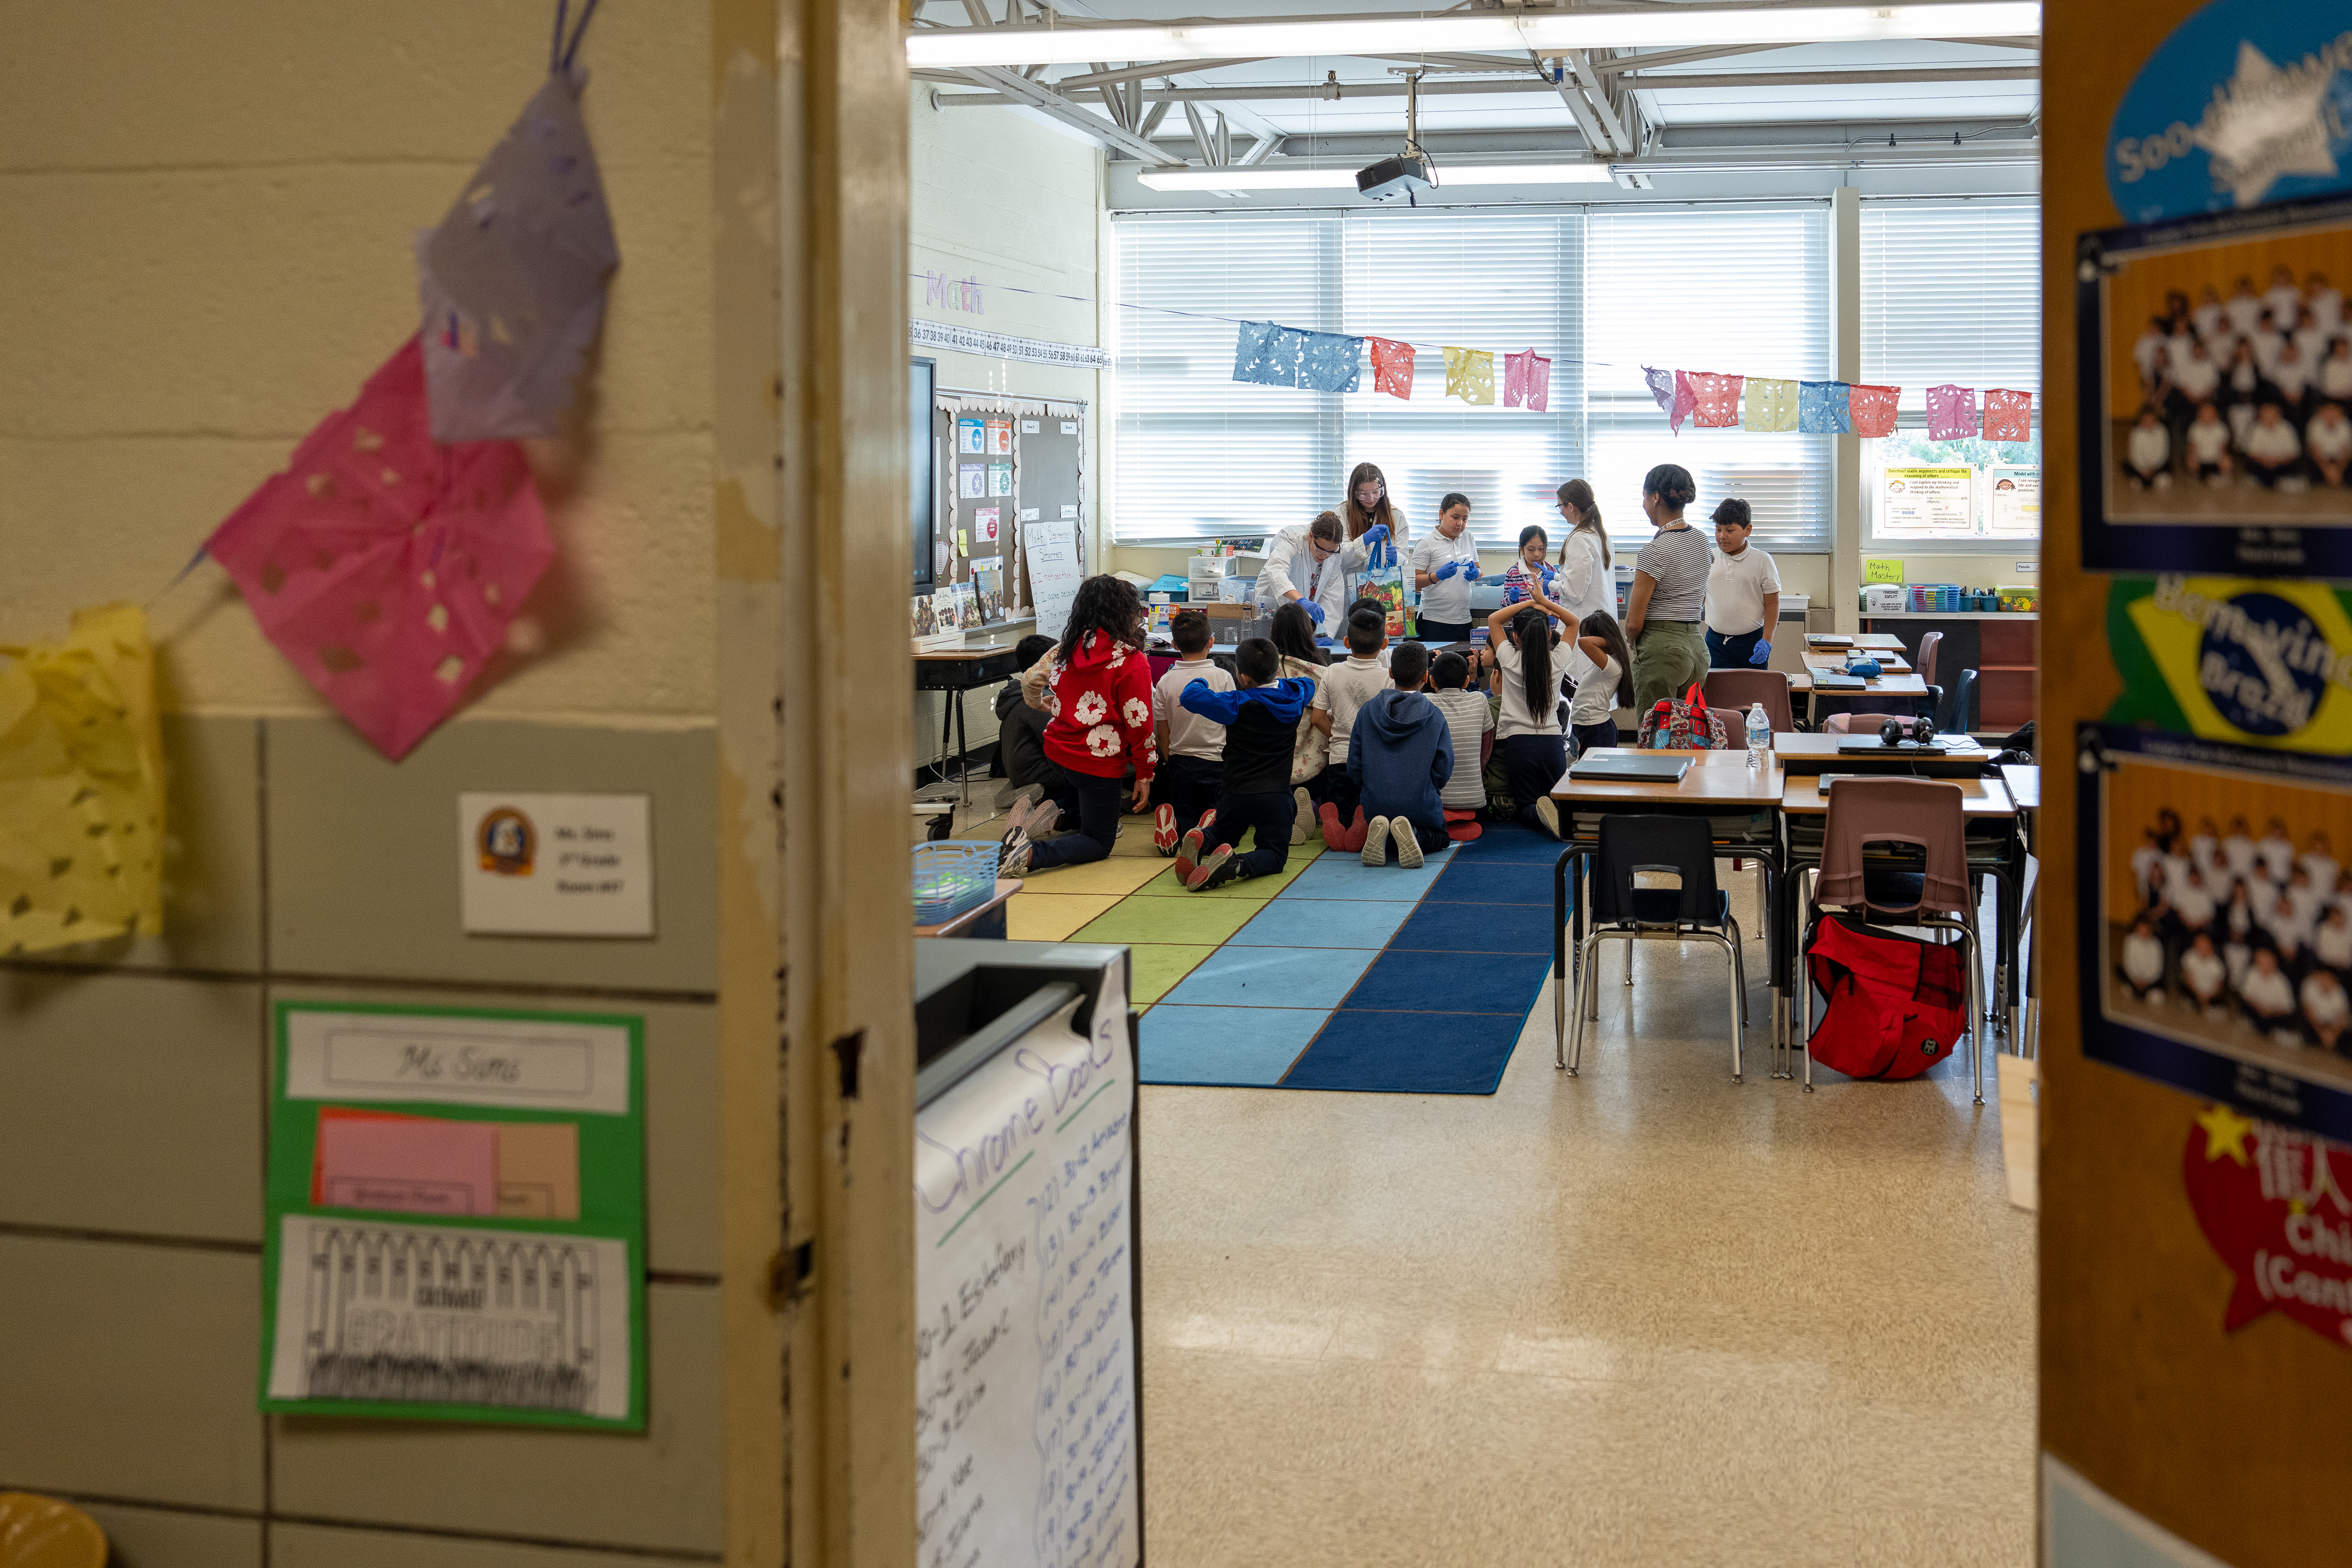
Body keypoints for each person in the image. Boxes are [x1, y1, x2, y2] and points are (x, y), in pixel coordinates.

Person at [1001, 575, 1157, 875]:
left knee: (1086, 799)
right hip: (1096, 761)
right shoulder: (1132, 661)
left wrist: (1039, 704)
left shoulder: (1067, 647)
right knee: (1098, 842)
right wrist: (1145, 773)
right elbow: (1140, 724)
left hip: (1058, 751)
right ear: (1128, 614)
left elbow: (1030, 679)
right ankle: (1028, 855)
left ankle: (1055, 817)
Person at [1169, 637, 1315, 892]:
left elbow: (1191, 696)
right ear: (1276, 671)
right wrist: (1281, 683)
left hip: (1235, 791)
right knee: (1274, 854)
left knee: (1225, 831)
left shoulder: (1235, 703)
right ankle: (1235, 865)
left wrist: (1202, 680)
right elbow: (1309, 683)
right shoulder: (1295, 696)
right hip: (1275, 794)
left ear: (1244, 678)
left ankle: (1205, 838)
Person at [1347, 641, 1454, 870]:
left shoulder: (1367, 711)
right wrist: (1429, 788)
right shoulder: (1434, 716)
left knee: (1380, 819)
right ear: (1426, 677)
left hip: (1375, 803)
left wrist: (1371, 788)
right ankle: (1414, 833)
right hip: (1421, 803)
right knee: (1442, 838)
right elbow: (1444, 766)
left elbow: (1354, 765)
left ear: (1391, 673)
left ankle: (1385, 835)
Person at [1623, 463, 1712, 714]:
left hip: (1661, 651)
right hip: (1697, 648)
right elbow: (1701, 597)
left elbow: (1633, 623)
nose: (1644, 505)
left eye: (1644, 497)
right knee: (1688, 729)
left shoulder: (1654, 550)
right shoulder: (1702, 541)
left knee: (1655, 732)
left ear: (1655, 498)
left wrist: (1633, 645)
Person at [1488, 595, 1573, 840]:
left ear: (1515, 637)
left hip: (1519, 742)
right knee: (1558, 797)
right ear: (1549, 635)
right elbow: (1574, 623)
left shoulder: (1509, 659)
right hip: (1552, 742)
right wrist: (1543, 600)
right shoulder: (1558, 661)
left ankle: (1537, 813)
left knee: (1525, 805)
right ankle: (1558, 812)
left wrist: (1527, 603)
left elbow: (1494, 620)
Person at [1308, 609, 1394, 848]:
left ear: (1346, 642)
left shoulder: (1332, 671)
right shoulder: (1388, 677)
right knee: (1373, 808)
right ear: (1384, 644)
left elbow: (1317, 718)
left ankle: (1341, 824)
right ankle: (1364, 823)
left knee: (1342, 807)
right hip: (1374, 760)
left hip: (1340, 757)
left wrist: (1337, 736)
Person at [1148, 610, 1232, 854]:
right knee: (1217, 813)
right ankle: (1207, 829)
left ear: (1174, 644)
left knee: (1185, 810)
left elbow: (1162, 729)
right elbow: (1231, 722)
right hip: (1215, 760)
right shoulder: (1223, 677)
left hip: (1180, 761)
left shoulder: (1166, 681)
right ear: (1211, 642)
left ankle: (1176, 827)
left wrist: (1170, 758)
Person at [1257, 510, 1383, 630]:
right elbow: (1277, 571)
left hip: (1300, 615)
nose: (1324, 556)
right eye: (1320, 550)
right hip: (1271, 606)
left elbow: (1332, 594)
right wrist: (1301, 600)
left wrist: (1327, 633)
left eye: (1331, 552)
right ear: (1311, 536)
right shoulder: (1291, 538)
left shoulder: (1334, 551)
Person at [1268, 601, 1329, 843]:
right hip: (1312, 764)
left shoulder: (1267, 670)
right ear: (1307, 631)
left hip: (1274, 764)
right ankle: (1312, 805)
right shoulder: (1319, 672)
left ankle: (1286, 812)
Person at [994, 633, 1070, 810]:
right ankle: (1041, 796)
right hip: (1037, 775)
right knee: (1092, 778)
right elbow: (1058, 742)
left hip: (1021, 774)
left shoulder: (1016, 693)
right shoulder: (1037, 700)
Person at [1425, 650, 1494, 844]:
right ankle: (1459, 820)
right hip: (1476, 799)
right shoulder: (1480, 699)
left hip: (1436, 798)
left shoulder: (1426, 702)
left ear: (1432, 681)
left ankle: (1439, 824)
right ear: (1466, 682)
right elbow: (1486, 749)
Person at [1702, 498, 1780, 669]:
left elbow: (1772, 605)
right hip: (1715, 643)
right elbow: (1700, 598)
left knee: (1751, 687)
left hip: (1752, 643)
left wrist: (1766, 641)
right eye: (1718, 529)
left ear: (1748, 530)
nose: (1722, 536)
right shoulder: (1708, 558)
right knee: (1717, 686)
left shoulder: (1763, 561)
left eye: (1730, 530)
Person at [1408, 491, 1481, 644]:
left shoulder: (1469, 537)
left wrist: (1477, 574)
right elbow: (1413, 583)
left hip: (1463, 619)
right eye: (1455, 517)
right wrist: (1438, 576)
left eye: (1465, 519)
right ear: (1441, 514)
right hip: (1434, 621)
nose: (1460, 523)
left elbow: (1479, 569)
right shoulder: (1426, 543)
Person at [1566, 610, 1633, 759]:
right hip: (1590, 726)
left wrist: (1614, 641)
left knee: (1594, 771)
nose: (1584, 639)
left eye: (1589, 636)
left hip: (1596, 728)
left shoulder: (1613, 667)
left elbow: (1584, 643)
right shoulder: (1604, 664)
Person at [1552, 479, 1616, 630]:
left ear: (1571, 507)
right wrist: (1555, 576)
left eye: (1560, 506)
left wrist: (1550, 585)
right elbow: (1586, 578)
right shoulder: (1601, 535)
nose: (1561, 513)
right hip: (1600, 622)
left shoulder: (1579, 538)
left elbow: (1574, 593)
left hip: (1583, 624)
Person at [1342, 462, 1407, 554]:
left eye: (1376, 492)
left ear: (1382, 490)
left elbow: (1403, 554)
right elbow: (1340, 554)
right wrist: (1364, 541)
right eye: (1364, 493)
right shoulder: (1342, 514)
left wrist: (1397, 558)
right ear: (1354, 492)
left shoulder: (1397, 516)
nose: (1371, 498)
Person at [2242, 946, 2300, 1037]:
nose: (2262, 965)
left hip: (2273, 1014)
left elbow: (2289, 1009)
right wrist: (2260, 1008)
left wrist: (2270, 1011)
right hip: (2257, 1009)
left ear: (2274, 963)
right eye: (2259, 962)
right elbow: (2246, 996)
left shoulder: (2282, 981)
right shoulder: (2253, 972)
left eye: (2266, 962)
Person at [2119, 914, 2167, 1001]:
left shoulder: (2157, 944)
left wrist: (2147, 981)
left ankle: (2143, 991)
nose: (2143, 934)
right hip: (2135, 977)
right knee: (2119, 970)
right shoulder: (2130, 941)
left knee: (2158, 998)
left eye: (2146, 930)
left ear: (2151, 930)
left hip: (2150, 979)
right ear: (2135, 929)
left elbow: (2158, 967)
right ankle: (2134, 988)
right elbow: (2128, 962)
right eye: (2140, 930)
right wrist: (2135, 978)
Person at [2181, 932, 2230, 1016]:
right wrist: (2198, 994)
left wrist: (2207, 997)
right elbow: (2188, 979)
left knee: (2219, 1013)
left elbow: (2219, 987)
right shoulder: (2189, 957)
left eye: (2205, 947)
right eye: (2199, 946)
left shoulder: (2218, 964)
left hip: (2211, 995)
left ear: (2211, 947)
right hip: (2193, 991)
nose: (2202, 950)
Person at [2184, 401, 2234, 482]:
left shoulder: (2222, 428)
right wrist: (2193, 459)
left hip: (2216, 460)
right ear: (2199, 415)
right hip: (2200, 460)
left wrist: (2220, 460)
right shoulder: (2194, 428)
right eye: (2204, 414)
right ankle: (2195, 477)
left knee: (2227, 460)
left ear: (2216, 415)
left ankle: (2222, 477)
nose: (2207, 417)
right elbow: (2192, 447)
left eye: (2210, 414)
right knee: (2190, 460)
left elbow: (2223, 448)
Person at [2124, 404, 2172, 488]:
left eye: (2151, 421)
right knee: (2127, 466)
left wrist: (2154, 467)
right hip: (2141, 467)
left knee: (2168, 467)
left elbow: (2164, 452)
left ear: (2157, 421)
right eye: (2145, 422)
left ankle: (2151, 479)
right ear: (2140, 421)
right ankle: (2143, 479)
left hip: (2157, 466)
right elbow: (2135, 454)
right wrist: (2142, 468)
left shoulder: (2162, 431)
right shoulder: (2135, 433)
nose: (2148, 425)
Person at [2304, 968, 2350, 1053]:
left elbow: (2342, 1020)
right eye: (2323, 978)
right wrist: (2321, 1032)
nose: (2325, 982)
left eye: (2329, 979)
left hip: (2332, 1027)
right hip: (2315, 1024)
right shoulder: (2311, 985)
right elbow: (2308, 1013)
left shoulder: (2340, 992)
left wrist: (2334, 1035)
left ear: (2334, 981)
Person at [2307, 401, 2352, 486]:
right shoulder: (2315, 424)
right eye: (2328, 411)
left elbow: (2346, 451)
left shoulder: (2346, 424)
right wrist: (2327, 472)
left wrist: (2339, 472)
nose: (2331, 414)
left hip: (2341, 460)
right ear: (2321, 412)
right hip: (2321, 460)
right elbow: (2315, 451)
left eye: (2334, 411)